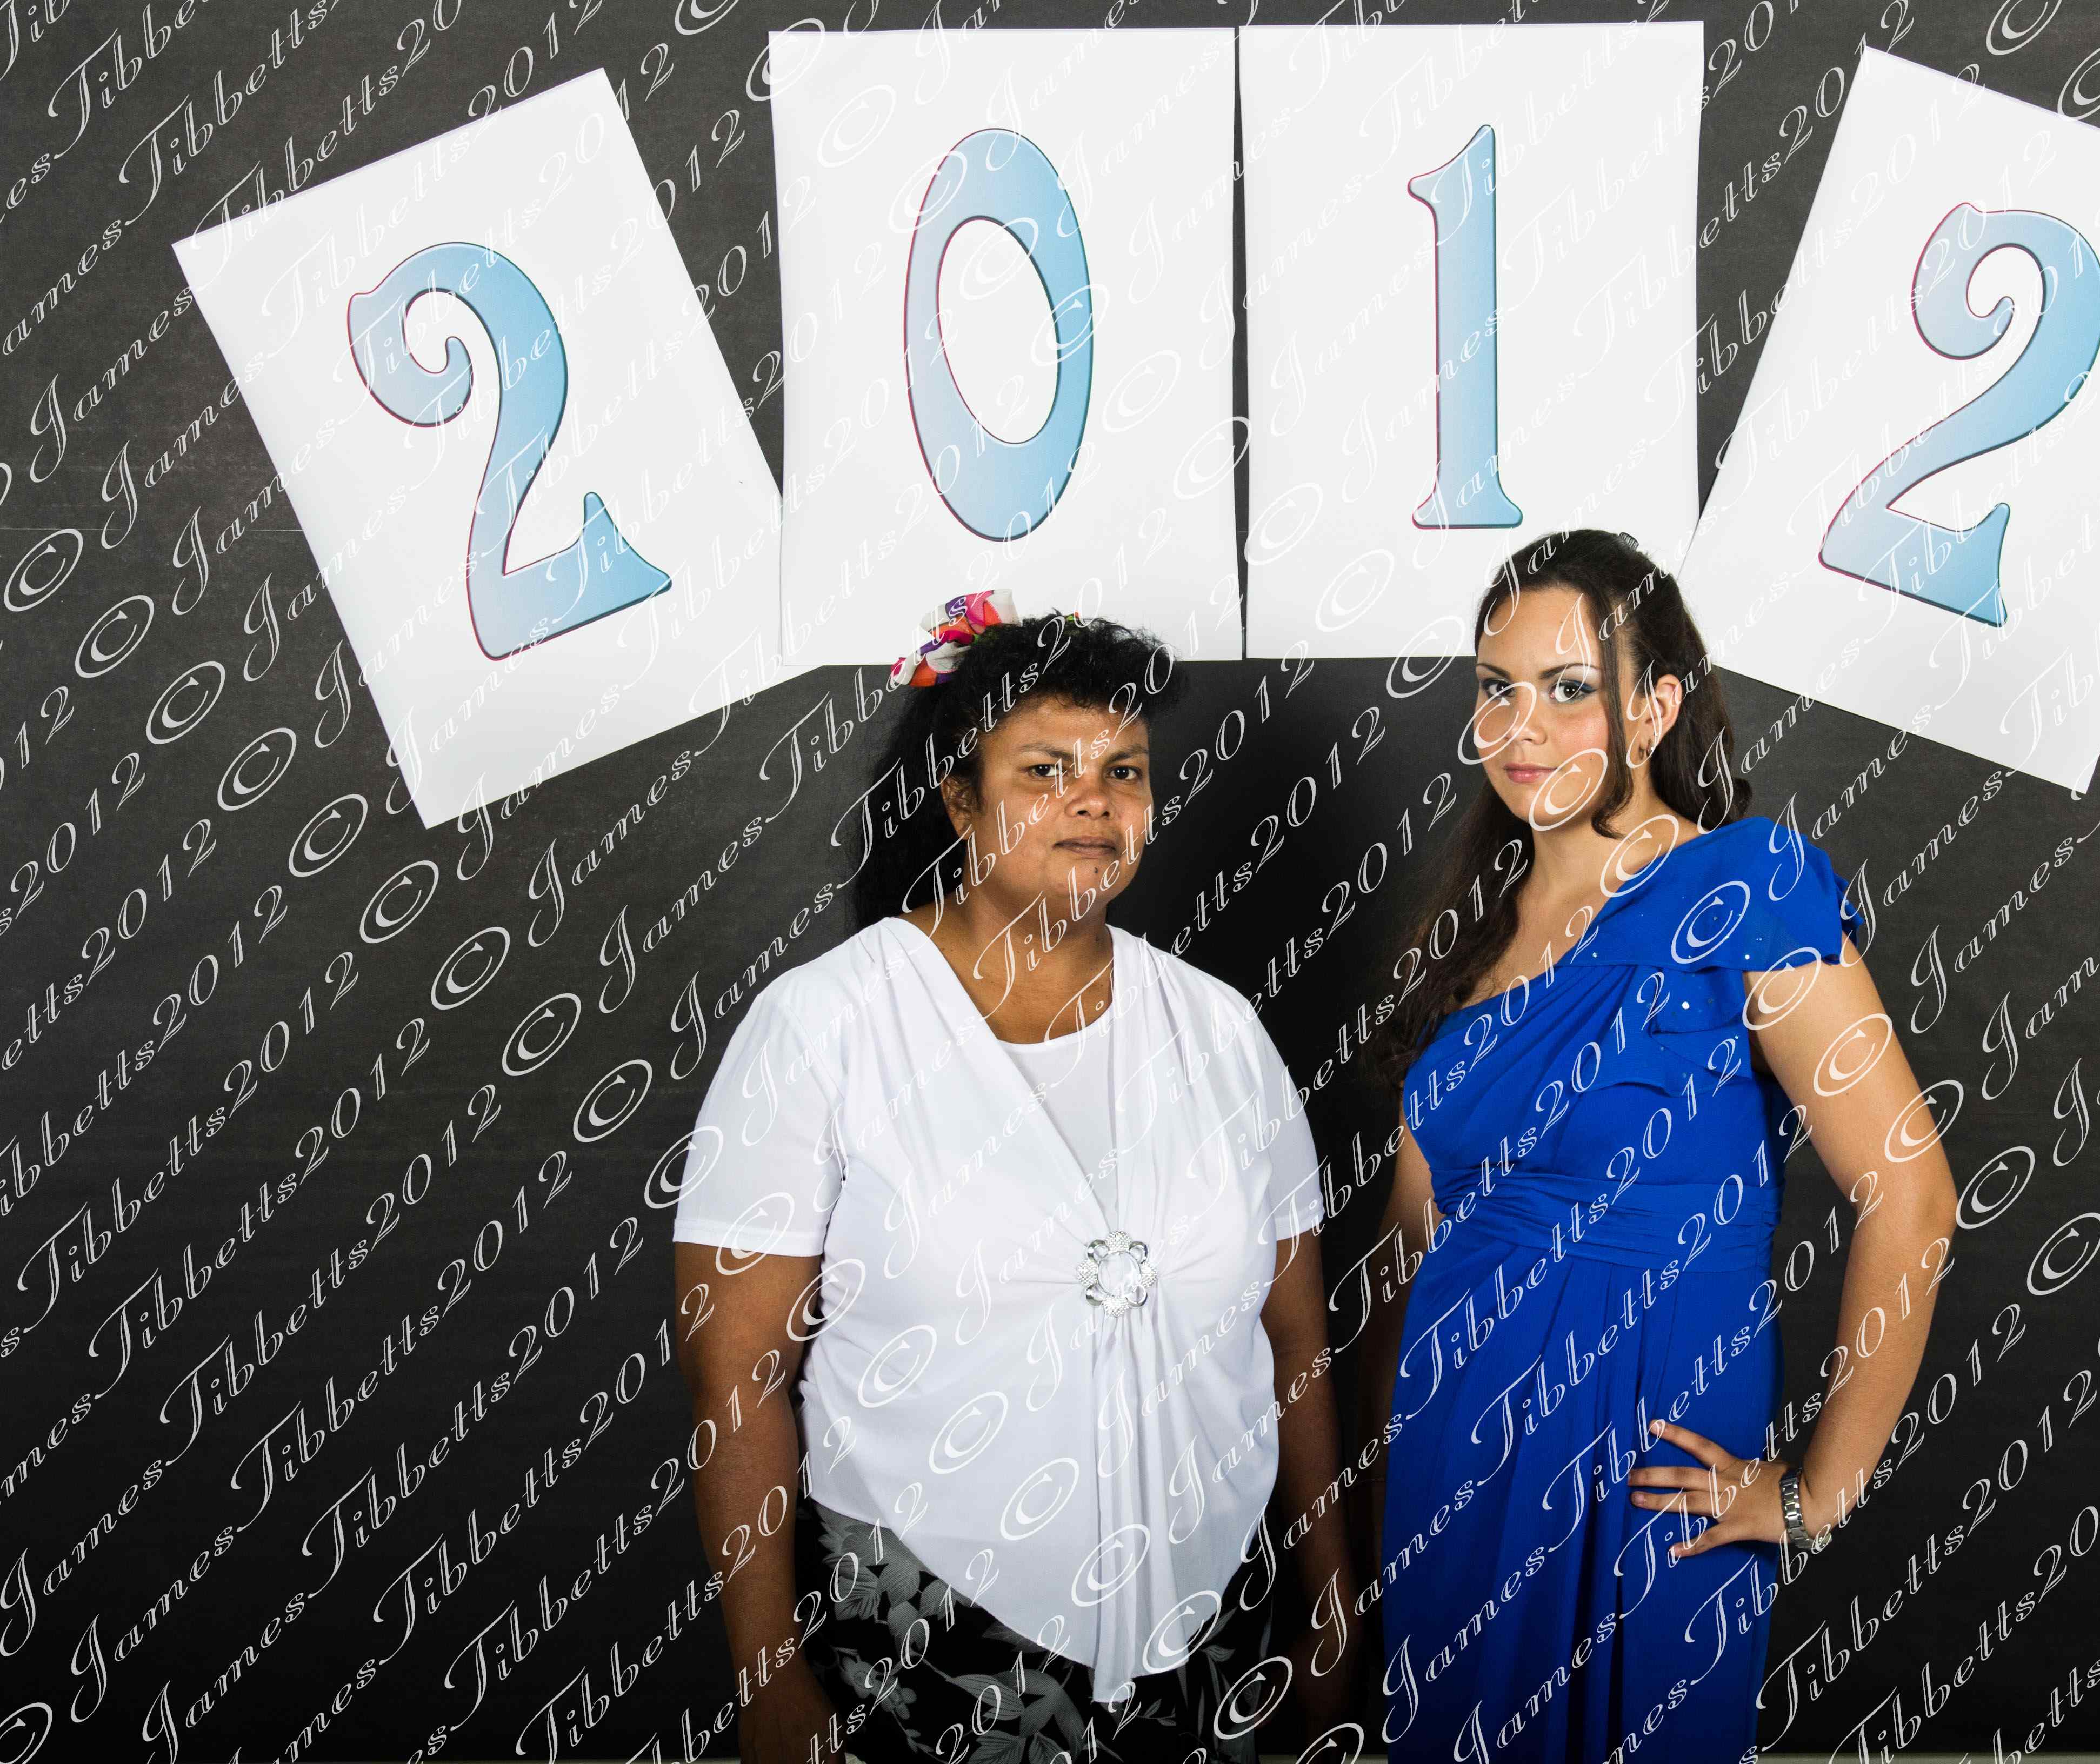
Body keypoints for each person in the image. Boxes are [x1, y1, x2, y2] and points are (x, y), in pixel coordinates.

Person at [671, 592, 1358, 1764]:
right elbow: (737, 1378)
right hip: (927, 1634)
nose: (1094, 801)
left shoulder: (1221, 1032)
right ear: (959, 797)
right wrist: (768, 1674)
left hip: (1211, 1627)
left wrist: (1329, 1605)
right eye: (1045, 770)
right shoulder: (826, 1026)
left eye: (1124, 772)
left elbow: (1294, 1344)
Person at [1351, 531, 1960, 1762]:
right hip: (1449, 1466)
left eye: (1570, 687)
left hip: (1649, 1455)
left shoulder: (1745, 882)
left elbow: (1910, 1190)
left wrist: (1815, 1493)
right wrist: (1372, 1516)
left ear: (1657, 706)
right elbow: (1406, 1260)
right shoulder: (1473, 934)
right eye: (1497, 688)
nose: (1522, 726)